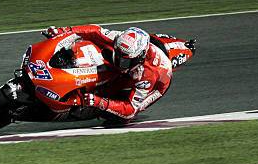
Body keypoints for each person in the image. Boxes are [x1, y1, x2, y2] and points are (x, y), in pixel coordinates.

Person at [42, 24, 173, 122]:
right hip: (134, 64)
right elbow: (94, 31)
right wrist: (64, 31)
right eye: (118, 56)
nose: (119, 61)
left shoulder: (149, 75)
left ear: (139, 58)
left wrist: (100, 102)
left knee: (120, 115)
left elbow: (130, 110)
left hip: (156, 86)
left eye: (124, 61)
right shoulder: (120, 39)